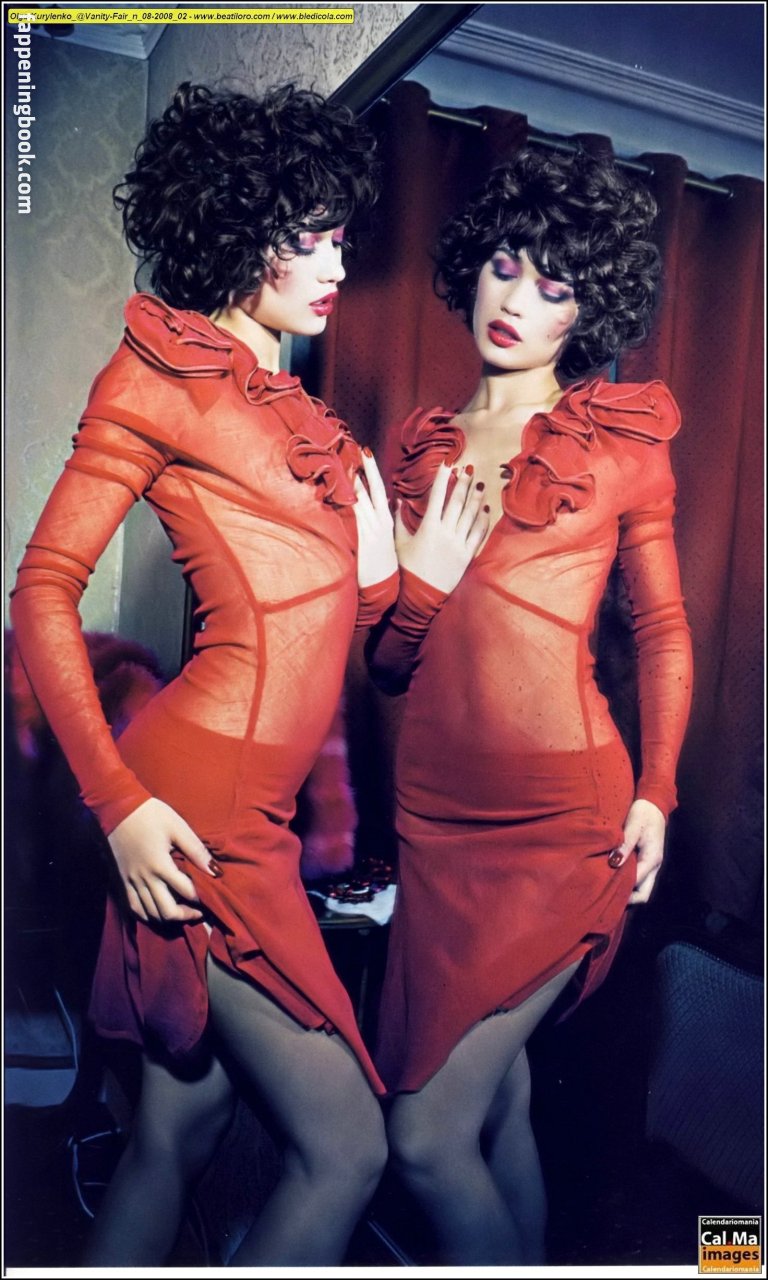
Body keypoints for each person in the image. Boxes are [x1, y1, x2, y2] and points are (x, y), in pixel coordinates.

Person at [10, 81, 398, 1266]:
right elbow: (41, 592)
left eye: (340, 235)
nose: (336, 263)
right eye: (308, 236)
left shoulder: (303, 418)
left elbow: (330, 630)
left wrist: (390, 575)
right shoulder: (164, 371)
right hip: (196, 807)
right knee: (349, 1148)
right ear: (236, 226)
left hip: (254, 806)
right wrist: (118, 803)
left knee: (181, 1132)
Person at [365, 147, 693, 1264]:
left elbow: (662, 629)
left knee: (424, 1138)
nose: (517, 300)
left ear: (586, 311)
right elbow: (387, 664)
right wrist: (422, 584)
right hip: (433, 824)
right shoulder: (417, 450)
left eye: (555, 287)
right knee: (494, 1104)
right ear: (473, 266)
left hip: (561, 824)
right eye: (506, 266)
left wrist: (658, 791)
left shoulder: (618, 442)